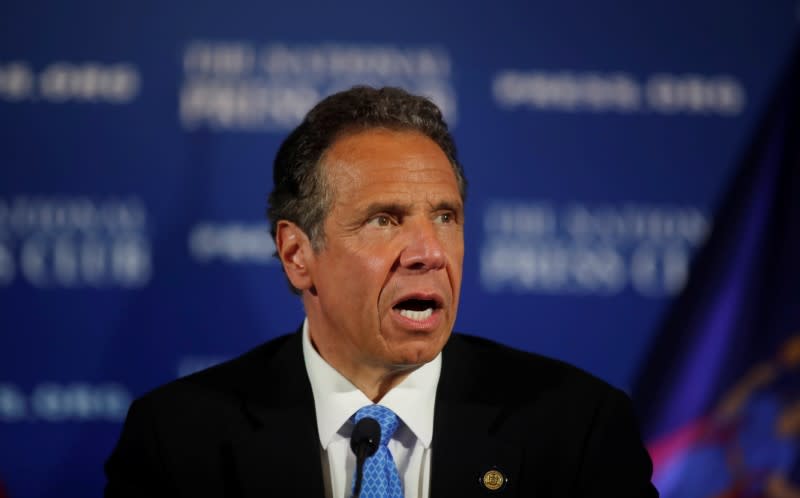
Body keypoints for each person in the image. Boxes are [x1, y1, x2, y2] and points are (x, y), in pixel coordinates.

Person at [105, 86, 658, 497]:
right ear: (298, 255)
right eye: (385, 220)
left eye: (445, 216)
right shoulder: (177, 442)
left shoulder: (577, 429)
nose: (429, 252)